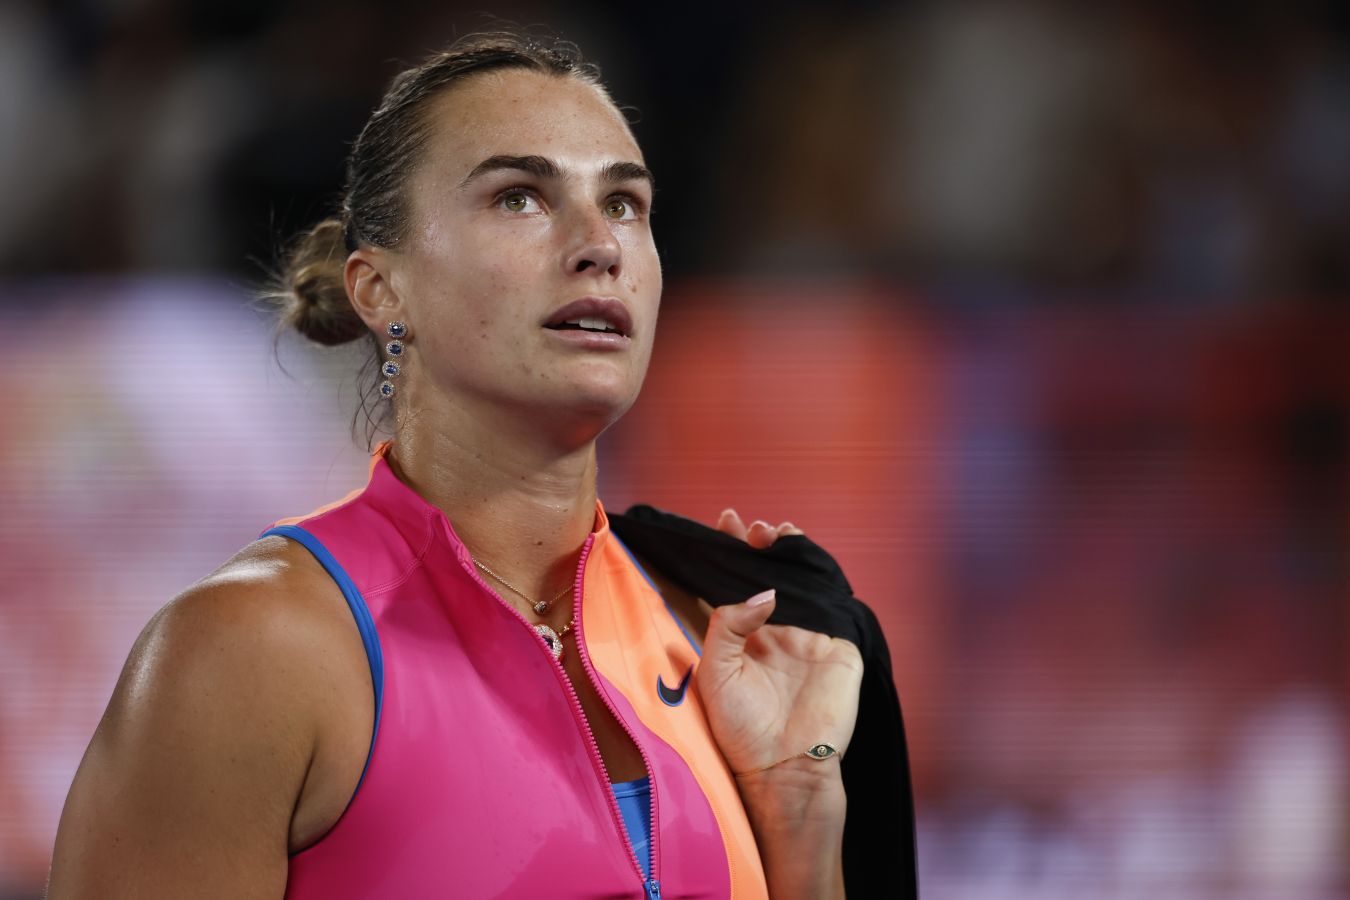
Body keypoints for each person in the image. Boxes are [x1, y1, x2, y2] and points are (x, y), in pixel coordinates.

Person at [46, 31, 864, 899]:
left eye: (625, 204)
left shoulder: (711, 635)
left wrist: (796, 802)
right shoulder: (253, 650)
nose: (601, 245)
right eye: (520, 198)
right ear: (380, 288)